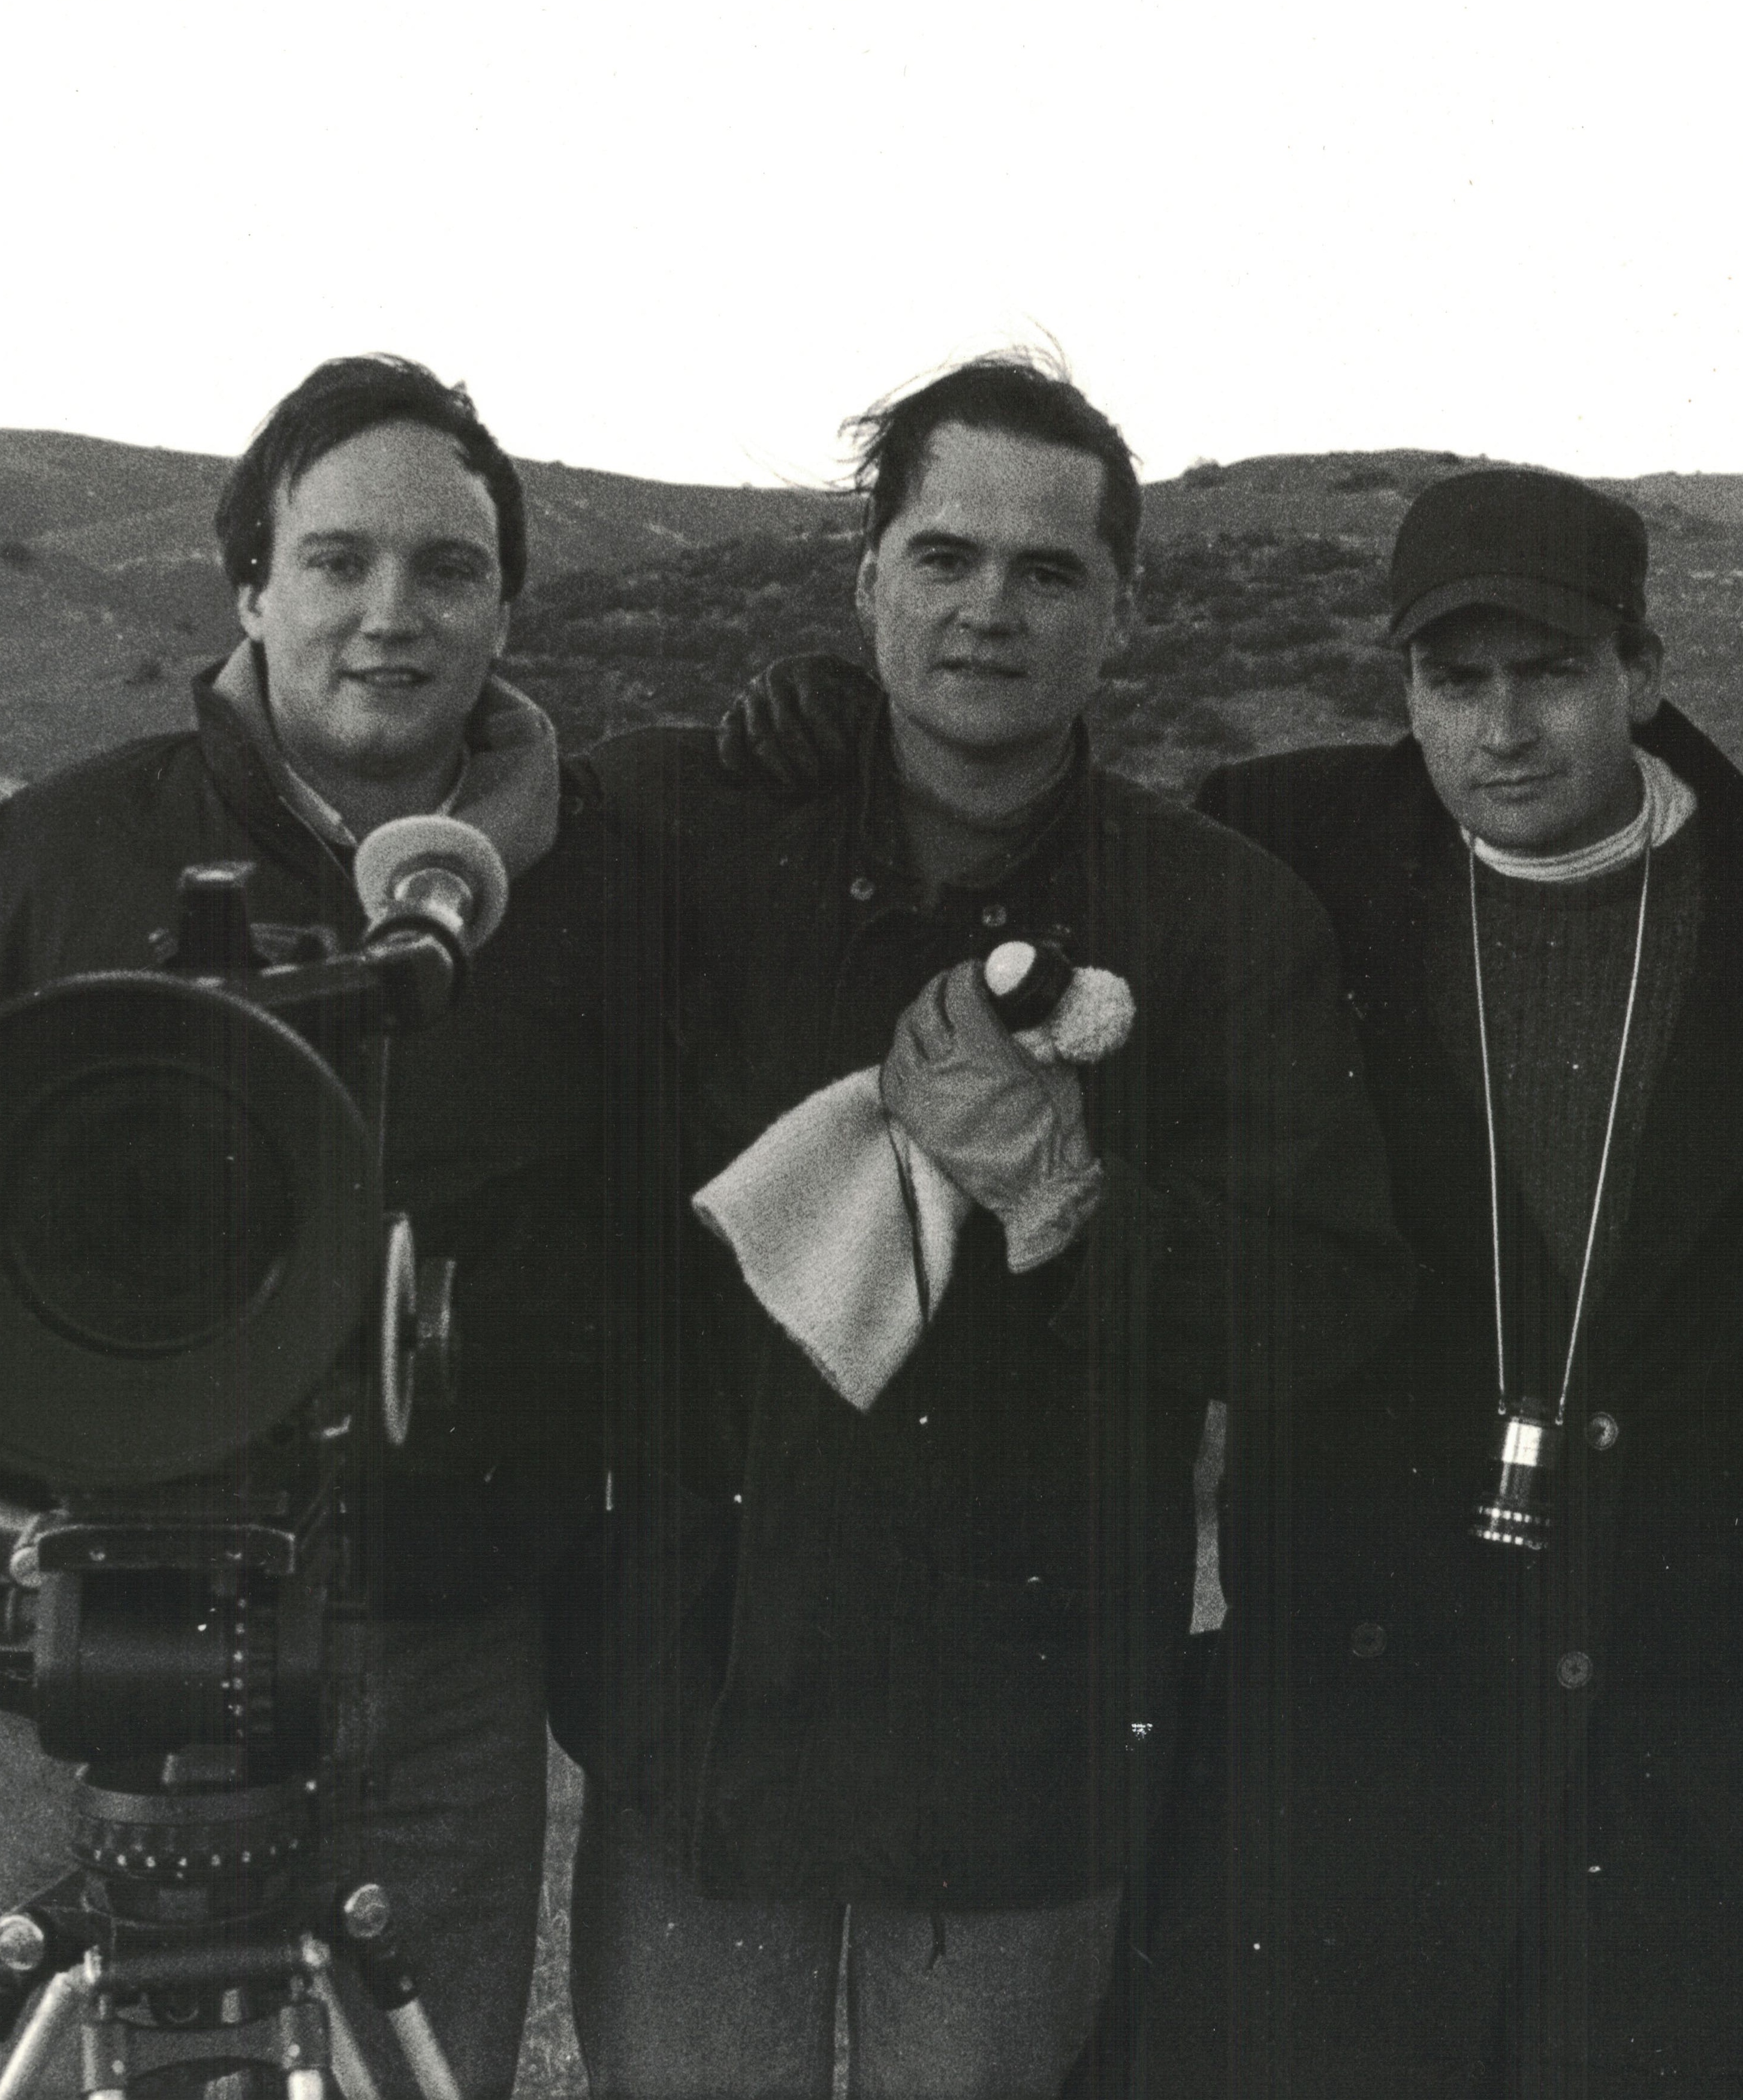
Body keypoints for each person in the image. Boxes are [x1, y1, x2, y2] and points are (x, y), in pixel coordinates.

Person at [746, 465, 1743, 2093]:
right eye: (1451, 681)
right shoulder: (1287, 843)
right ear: (1400, 687)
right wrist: (827, 733)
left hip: (1674, 1695)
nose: (1501, 730)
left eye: (1551, 677)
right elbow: (1003, 855)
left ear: (1643, 674)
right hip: (1363, 1678)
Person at [553, 354, 1403, 2098]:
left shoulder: (1220, 918)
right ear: (865, 581)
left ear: (1124, 612)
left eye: (1048, 572)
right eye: (942, 559)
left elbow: (1314, 1310)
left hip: (1023, 1737)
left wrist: (1059, 1195)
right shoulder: (677, 823)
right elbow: (440, 797)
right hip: (702, 1700)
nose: (988, 610)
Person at [0, 355, 635, 2097]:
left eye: (449, 569)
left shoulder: (598, 882)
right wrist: (89, 1435)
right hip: (102, 1649)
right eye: (335, 561)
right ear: (249, 583)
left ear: (509, 603)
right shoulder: (47, 852)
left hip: (444, 1655)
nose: (388, 615)